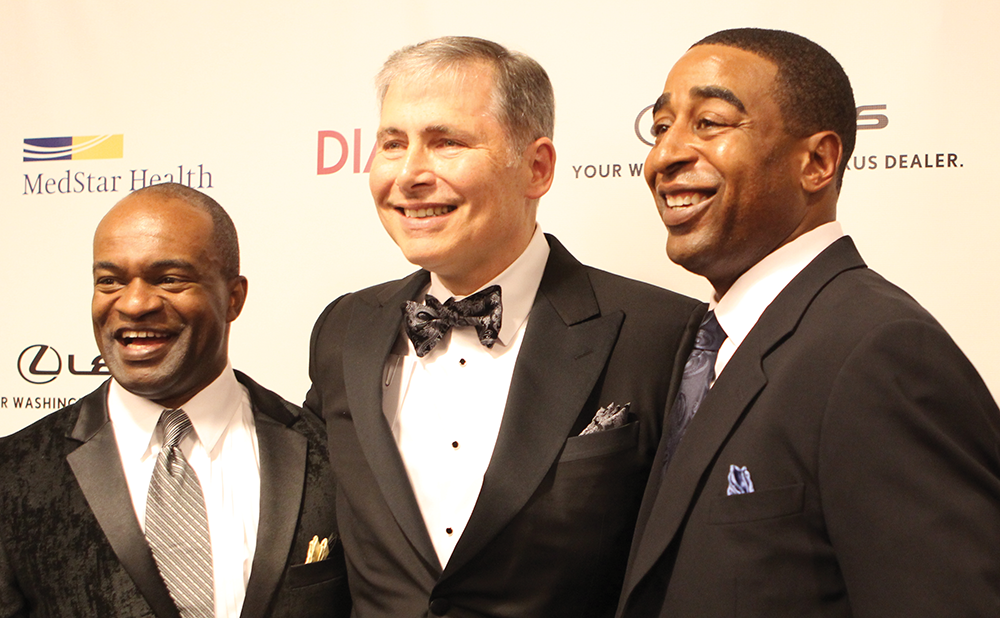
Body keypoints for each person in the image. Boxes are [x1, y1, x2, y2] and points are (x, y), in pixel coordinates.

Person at [304, 36, 701, 618]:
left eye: (446, 143)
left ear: (536, 168)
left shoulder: (662, 334)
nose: (410, 173)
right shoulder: (344, 330)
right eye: (392, 143)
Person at [616, 28, 1000, 618]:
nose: (664, 156)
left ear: (817, 161)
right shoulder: (698, 347)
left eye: (710, 122)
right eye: (663, 126)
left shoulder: (879, 351)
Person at [0, 183, 350, 618]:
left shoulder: (331, 454)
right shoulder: (14, 471)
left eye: (169, 279)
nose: (134, 303)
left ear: (234, 298)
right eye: (110, 281)